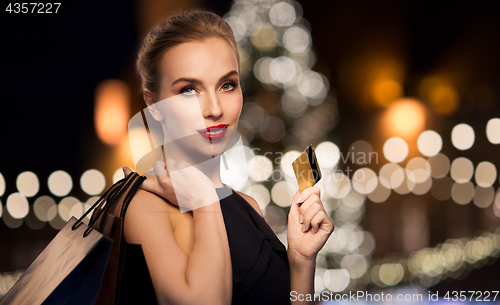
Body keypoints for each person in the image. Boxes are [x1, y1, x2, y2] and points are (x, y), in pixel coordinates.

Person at [121, 8, 334, 305]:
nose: (214, 108)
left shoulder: (248, 206)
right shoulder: (144, 206)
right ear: (153, 104)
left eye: (227, 85)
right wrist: (204, 197)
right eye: (188, 90)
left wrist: (300, 261)